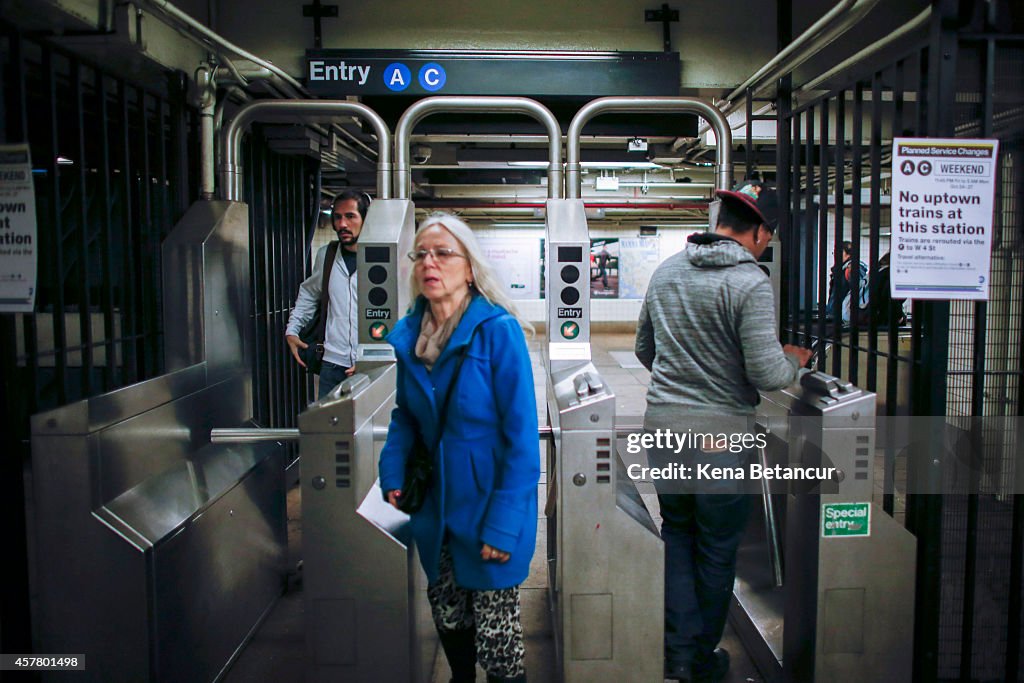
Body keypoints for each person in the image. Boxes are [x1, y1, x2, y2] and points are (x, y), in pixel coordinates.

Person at [635, 181, 812, 683]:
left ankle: (675, 652)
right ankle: (700, 657)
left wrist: (685, 376)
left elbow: (644, 350)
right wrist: (793, 361)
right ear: (757, 231)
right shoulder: (749, 281)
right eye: (767, 237)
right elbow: (767, 374)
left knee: (678, 535)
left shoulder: (667, 272)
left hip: (664, 425)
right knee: (716, 547)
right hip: (720, 434)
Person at [379, 212, 539, 683]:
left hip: (488, 510)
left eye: (443, 253)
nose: (430, 262)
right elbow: (405, 415)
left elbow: (522, 441)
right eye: (421, 254)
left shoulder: (497, 332)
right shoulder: (411, 334)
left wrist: (504, 525)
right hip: (436, 510)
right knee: (450, 618)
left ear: (469, 268)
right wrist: (392, 475)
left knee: (499, 643)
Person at [285, 190, 369, 399]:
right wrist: (292, 330)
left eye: (350, 216)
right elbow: (309, 294)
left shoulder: (382, 259)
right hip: (332, 365)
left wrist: (372, 359)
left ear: (365, 219)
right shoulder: (327, 256)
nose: (342, 224)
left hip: (371, 365)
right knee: (329, 428)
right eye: (337, 217)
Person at [825, 240, 869, 325]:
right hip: (835, 315)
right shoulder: (841, 270)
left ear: (848, 254)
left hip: (842, 318)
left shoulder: (853, 269)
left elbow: (859, 291)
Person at [869, 251, 907, 328]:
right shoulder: (890, 274)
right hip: (885, 321)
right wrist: (899, 317)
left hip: (873, 317)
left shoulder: (879, 271)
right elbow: (890, 298)